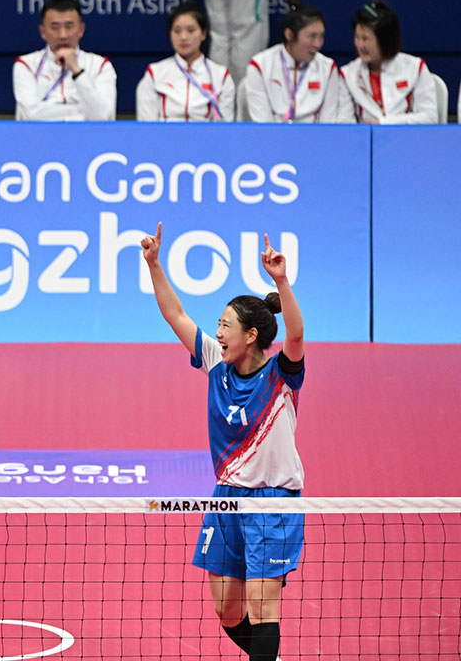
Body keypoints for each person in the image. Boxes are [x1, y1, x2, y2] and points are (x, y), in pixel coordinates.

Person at [141, 223, 305, 661]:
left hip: (272, 503)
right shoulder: (217, 364)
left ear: (251, 335)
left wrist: (282, 282)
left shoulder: (281, 376)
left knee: (262, 606)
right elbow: (176, 315)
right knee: (227, 610)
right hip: (227, 498)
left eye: (225, 325)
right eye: (217, 324)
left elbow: (295, 337)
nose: (218, 332)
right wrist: (155, 264)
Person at [242, 0, 351, 123]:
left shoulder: (328, 68)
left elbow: (328, 122)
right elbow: (263, 124)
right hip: (273, 139)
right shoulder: (260, 66)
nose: (317, 44)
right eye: (312, 36)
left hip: (314, 140)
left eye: (321, 36)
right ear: (289, 35)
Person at [13, 0, 117, 121]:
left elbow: (102, 115)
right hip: (40, 138)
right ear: (43, 32)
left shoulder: (100, 66)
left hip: (88, 138)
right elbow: (32, 114)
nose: (62, 35)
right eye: (55, 27)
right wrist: (81, 111)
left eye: (69, 27)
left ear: (81, 29)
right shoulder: (26, 65)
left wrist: (76, 71)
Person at [340, 0, 440, 125]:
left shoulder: (415, 67)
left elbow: (429, 117)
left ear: (385, 39)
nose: (360, 45)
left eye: (365, 38)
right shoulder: (347, 74)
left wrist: (382, 123)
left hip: (407, 141)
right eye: (357, 37)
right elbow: (345, 124)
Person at [137, 0, 236, 122]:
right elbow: (147, 126)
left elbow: (224, 128)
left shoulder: (221, 76)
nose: (183, 37)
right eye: (177, 31)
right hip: (164, 139)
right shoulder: (154, 73)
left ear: (203, 34)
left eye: (191, 30)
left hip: (206, 139)